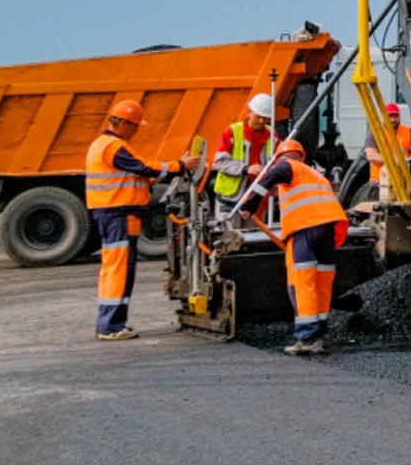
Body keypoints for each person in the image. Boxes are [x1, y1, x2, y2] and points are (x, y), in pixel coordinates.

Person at [86, 100, 200, 341]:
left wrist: (151, 180)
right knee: (119, 271)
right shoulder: (114, 146)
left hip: (113, 214)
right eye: (135, 125)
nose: (137, 130)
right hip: (119, 215)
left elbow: (135, 174)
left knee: (113, 269)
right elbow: (143, 166)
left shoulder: (104, 145)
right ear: (124, 123)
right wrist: (180, 166)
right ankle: (111, 326)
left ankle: (110, 322)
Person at [227, 138, 349, 355]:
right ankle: (319, 334)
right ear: (302, 156)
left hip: (305, 231)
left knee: (301, 282)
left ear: (280, 157)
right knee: (321, 284)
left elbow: (268, 179)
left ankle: (307, 337)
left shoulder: (287, 166)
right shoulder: (317, 176)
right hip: (328, 232)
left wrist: (249, 205)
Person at [210, 93, 275, 209]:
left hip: (257, 197)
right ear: (249, 112)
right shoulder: (232, 132)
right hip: (230, 198)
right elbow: (219, 162)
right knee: (229, 228)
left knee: (254, 228)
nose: (261, 121)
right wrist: (246, 169)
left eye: (265, 118)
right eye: (258, 116)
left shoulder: (273, 136)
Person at [364, 104, 411, 201]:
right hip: (380, 183)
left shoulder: (408, 131)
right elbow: (371, 156)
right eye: (390, 116)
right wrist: (395, 163)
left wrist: (406, 163)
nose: (393, 119)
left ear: (399, 116)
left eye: (395, 116)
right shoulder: (375, 133)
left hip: (404, 183)